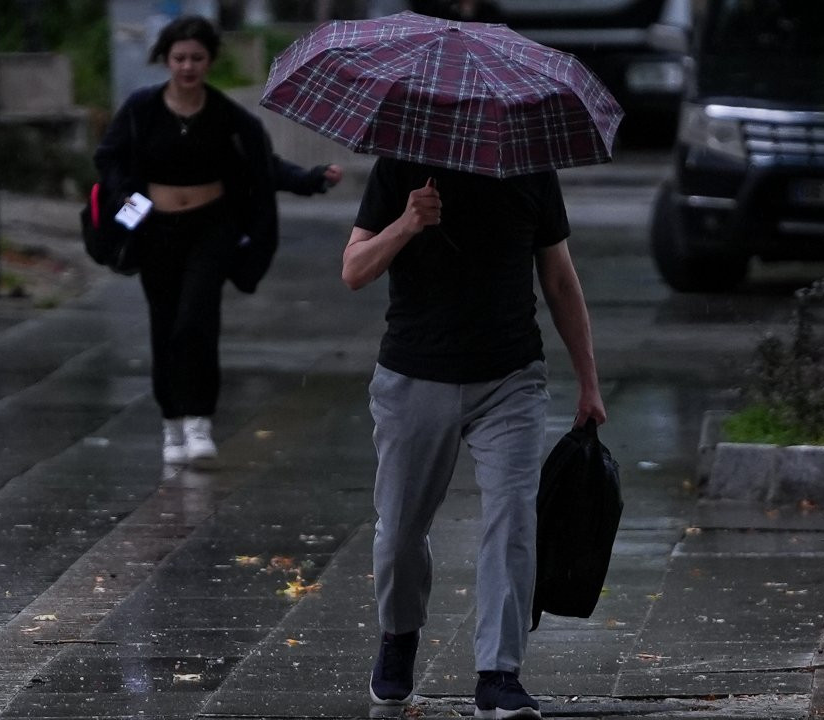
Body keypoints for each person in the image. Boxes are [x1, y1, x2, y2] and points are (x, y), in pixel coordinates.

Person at [343, 158, 606, 719]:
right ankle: (398, 638)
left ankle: (499, 672)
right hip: (414, 375)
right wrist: (407, 223)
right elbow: (354, 270)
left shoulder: (530, 170)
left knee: (513, 517)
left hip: (509, 378)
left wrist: (589, 381)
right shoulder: (399, 168)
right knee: (398, 532)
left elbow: (558, 277)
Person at [93, 15, 341, 468]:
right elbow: (108, 158)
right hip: (155, 229)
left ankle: (199, 421)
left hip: (211, 229)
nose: (188, 67)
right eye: (179, 58)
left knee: (196, 320)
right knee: (165, 326)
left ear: (210, 61)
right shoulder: (141, 109)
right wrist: (125, 197)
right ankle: (171, 423)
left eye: (197, 58)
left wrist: (310, 179)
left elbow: (263, 165)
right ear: (166, 60)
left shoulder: (228, 117)